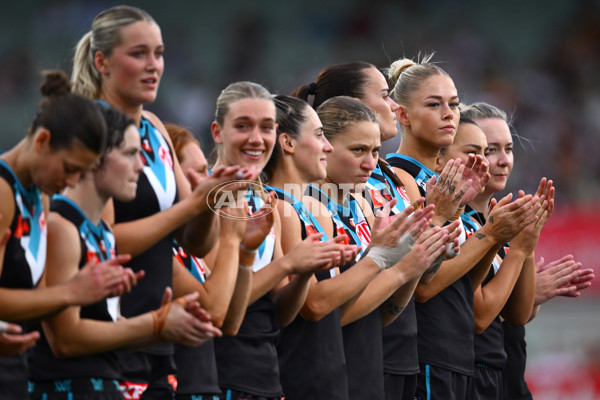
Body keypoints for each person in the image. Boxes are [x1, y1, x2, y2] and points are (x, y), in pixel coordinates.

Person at [71, 6, 254, 398]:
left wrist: (209, 201)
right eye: (138, 54)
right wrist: (190, 207)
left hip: (158, 340)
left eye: (159, 53)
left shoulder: (154, 127)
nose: (153, 65)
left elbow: (194, 243)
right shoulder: (87, 129)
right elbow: (98, 240)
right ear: (101, 61)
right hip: (110, 335)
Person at [27, 105, 221, 400]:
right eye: (131, 154)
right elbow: (66, 340)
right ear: (95, 157)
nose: (141, 167)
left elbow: (107, 329)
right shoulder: (62, 227)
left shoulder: (102, 233)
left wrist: (164, 326)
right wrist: (154, 323)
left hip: (105, 384)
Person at [293, 61, 461, 400]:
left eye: (372, 152)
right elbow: (321, 308)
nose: (393, 105)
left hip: (394, 356)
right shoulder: (308, 204)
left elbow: (391, 298)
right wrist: (402, 261)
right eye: (386, 95)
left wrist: (421, 255)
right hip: (337, 371)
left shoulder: (374, 188)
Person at [386, 54, 540, 400]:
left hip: (459, 360)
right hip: (428, 355)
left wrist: (504, 242)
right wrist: (492, 237)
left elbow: (465, 287)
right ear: (402, 115)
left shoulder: (442, 185)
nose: (449, 114)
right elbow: (423, 286)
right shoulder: (401, 178)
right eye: (435, 104)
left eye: (454, 104)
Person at [209, 81, 349, 400]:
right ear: (218, 132)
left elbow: (281, 313)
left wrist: (302, 272)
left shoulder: (262, 200)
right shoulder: (206, 201)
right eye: (243, 126)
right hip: (222, 373)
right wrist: (288, 263)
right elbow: (217, 304)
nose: (257, 139)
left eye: (266, 127)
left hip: (265, 375)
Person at [0, 70, 134, 399]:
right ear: (43, 141)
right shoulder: (3, 191)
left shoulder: (40, 196)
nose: (73, 181)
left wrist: (99, 291)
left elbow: (35, 298)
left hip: (17, 374)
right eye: (70, 167)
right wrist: (73, 292)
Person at [461, 102, 595, 400]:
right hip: (474, 377)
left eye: (508, 148)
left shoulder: (501, 220)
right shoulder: (458, 225)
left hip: (508, 374)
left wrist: (527, 249)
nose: (503, 160)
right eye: (489, 150)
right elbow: (476, 315)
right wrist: (522, 251)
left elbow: (518, 315)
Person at [166, 123, 275, 400]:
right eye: (199, 172)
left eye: (207, 170)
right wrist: (229, 239)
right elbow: (214, 310)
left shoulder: (192, 241)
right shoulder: (157, 246)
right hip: (173, 387)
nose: (209, 180)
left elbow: (230, 323)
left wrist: (246, 251)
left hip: (205, 384)